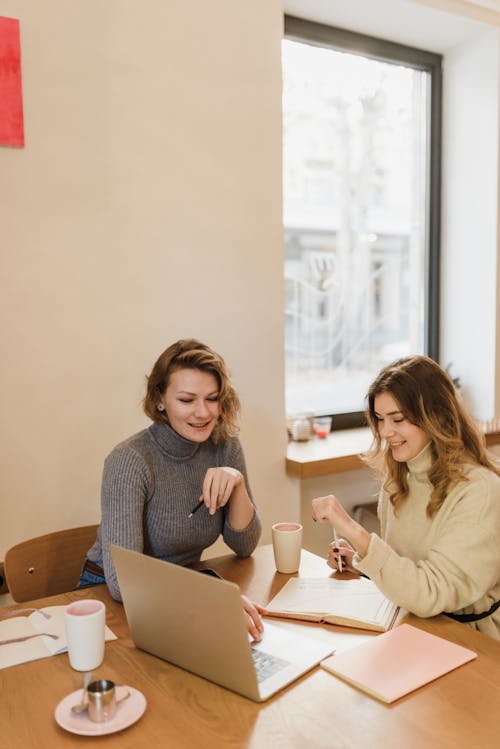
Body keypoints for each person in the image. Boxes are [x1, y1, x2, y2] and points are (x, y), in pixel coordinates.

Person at [79, 339, 264, 640]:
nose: (203, 413)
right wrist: (210, 596)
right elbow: (122, 583)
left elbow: (244, 546)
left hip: (177, 592)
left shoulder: (225, 447)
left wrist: (238, 483)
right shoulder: (130, 460)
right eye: (187, 400)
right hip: (109, 599)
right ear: (160, 400)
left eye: (212, 398)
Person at [311, 355, 500, 640]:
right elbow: (405, 570)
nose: (386, 432)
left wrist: (354, 531)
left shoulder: (480, 491)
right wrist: (363, 564)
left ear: (435, 416)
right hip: (414, 624)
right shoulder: (400, 478)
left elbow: (429, 592)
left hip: (471, 639)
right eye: (380, 419)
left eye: (397, 419)